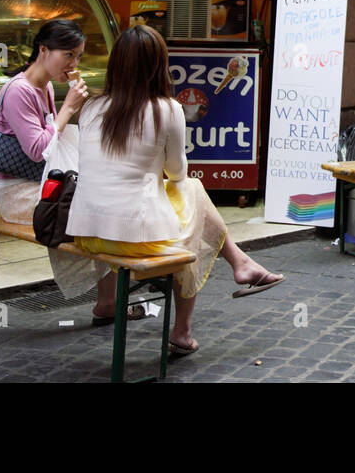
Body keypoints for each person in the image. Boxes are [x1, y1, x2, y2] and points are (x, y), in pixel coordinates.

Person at [67, 25, 284, 354]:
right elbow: (177, 173)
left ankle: (241, 264)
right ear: (158, 65)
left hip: (88, 232)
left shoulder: (92, 108)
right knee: (193, 196)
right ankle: (184, 329)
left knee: (184, 201)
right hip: (132, 238)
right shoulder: (166, 109)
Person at [0, 18, 90, 224]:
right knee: (87, 210)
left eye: (78, 57)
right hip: (17, 190)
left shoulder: (46, 86)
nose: (74, 64)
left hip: (38, 179)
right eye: (68, 54)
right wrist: (68, 108)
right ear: (44, 50)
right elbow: (37, 151)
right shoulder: (19, 90)